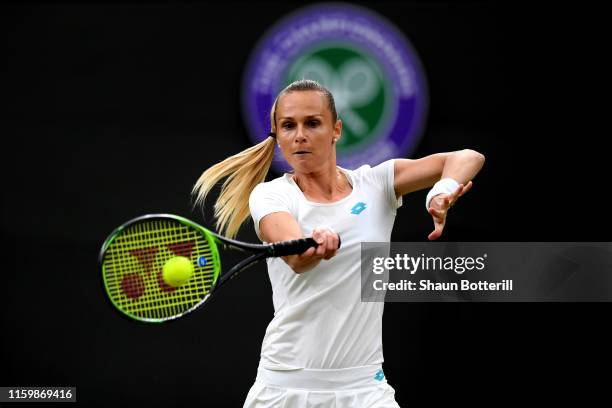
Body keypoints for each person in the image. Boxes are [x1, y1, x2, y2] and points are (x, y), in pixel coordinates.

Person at [192, 79, 485, 407]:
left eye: (312, 123)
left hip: (366, 390)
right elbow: (295, 255)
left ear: (336, 130)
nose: (299, 135)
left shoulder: (376, 184)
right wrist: (313, 245)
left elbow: (467, 157)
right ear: (278, 136)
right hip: (285, 390)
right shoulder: (271, 195)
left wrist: (441, 190)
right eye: (288, 126)